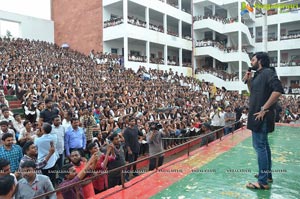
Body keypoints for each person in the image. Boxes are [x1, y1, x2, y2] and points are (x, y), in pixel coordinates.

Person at [244, 52, 284, 190]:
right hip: (257, 115)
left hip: (262, 117)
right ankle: (267, 175)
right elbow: (253, 92)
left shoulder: (268, 72)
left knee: (259, 147)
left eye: (253, 59)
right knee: (264, 146)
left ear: (259, 61)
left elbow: (278, 90)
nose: (251, 62)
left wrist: (263, 108)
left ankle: (262, 182)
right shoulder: (257, 75)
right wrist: (248, 80)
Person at [123, 117, 143, 181]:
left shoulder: (136, 128)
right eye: (131, 121)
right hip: (130, 148)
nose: (133, 122)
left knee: (135, 161)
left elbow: (141, 134)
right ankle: (126, 175)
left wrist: (140, 139)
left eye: (134, 121)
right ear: (128, 122)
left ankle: (134, 172)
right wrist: (129, 150)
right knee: (130, 162)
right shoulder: (126, 131)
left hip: (136, 147)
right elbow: (126, 141)